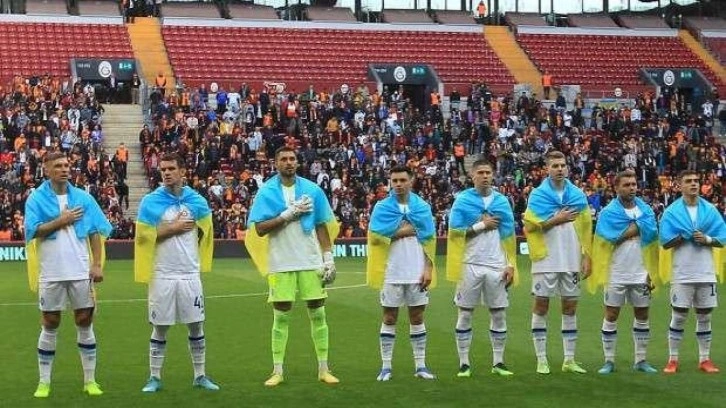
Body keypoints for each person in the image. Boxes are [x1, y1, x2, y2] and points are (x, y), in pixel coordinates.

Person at [245, 146, 339, 387]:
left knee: (318, 312)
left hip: (310, 259)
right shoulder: (266, 191)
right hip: (281, 261)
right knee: (281, 316)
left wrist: (328, 257)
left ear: (297, 162)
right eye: (283, 159)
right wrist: (287, 215)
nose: (288, 162)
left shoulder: (312, 190)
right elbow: (260, 228)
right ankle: (277, 371)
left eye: (292, 159)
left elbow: (320, 225)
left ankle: (324, 369)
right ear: (275, 163)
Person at [24, 152, 113, 398]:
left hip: (79, 270)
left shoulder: (83, 198)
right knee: (50, 322)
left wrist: (97, 264)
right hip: (50, 272)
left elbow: (95, 232)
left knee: (85, 320)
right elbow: (33, 231)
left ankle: (90, 381)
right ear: (47, 169)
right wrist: (61, 220)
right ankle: (44, 382)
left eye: (66, 165)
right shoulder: (36, 199)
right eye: (58, 166)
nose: (64, 169)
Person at [134, 152, 219, 392]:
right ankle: (154, 377)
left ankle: (200, 376)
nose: (167, 173)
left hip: (190, 272)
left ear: (182, 171)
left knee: (196, 325)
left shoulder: (197, 202)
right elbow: (142, 237)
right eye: (163, 170)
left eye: (171, 168)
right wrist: (174, 228)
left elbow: (206, 232)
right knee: (160, 326)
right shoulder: (151, 202)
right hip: (162, 273)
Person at [523, 150, 592, 375]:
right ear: (547, 169)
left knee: (570, 308)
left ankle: (569, 359)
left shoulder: (578, 196)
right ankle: (541, 359)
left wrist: (586, 255)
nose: (560, 169)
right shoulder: (538, 195)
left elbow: (585, 229)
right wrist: (557, 219)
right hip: (547, 260)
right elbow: (531, 226)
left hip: (571, 259)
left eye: (562, 165)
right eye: (555, 166)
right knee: (541, 306)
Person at [447, 159, 517, 378]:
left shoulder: (502, 201)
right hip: (470, 264)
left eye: (488, 172)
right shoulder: (462, 201)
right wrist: (481, 225)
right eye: (481, 172)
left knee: (498, 314)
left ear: (493, 174)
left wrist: (511, 264)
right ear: (472, 175)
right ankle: (464, 363)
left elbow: (509, 236)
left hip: (497, 265)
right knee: (465, 313)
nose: (485, 176)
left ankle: (498, 362)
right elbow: (455, 233)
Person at [367, 165, 437, 381]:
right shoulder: (382, 207)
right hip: (392, 271)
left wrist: (428, 267)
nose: (398, 184)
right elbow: (377, 236)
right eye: (394, 180)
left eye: (402, 180)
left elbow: (429, 239)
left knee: (417, 316)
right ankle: (386, 366)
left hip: (417, 270)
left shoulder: (422, 207)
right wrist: (408, 229)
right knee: (389, 317)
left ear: (411, 180)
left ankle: (420, 366)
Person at [589, 170, 659, 374]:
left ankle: (641, 360)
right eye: (626, 185)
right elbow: (604, 242)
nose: (631, 188)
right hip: (616, 271)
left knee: (642, 314)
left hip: (641, 271)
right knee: (611, 314)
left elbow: (654, 241)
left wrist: (652, 271)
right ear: (616, 187)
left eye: (634, 184)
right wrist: (633, 230)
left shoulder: (646, 211)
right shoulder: (608, 213)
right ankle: (609, 361)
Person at [659, 170, 726, 374]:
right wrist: (684, 236)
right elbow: (665, 242)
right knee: (679, 315)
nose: (694, 184)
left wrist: (706, 239)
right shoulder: (672, 212)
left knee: (705, 315)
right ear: (679, 186)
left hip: (705, 272)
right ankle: (673, 359)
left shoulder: (710, 210)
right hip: (683, 272)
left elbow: (722, 238)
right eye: (688, 181)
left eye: (696, 181)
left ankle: (704, 359)